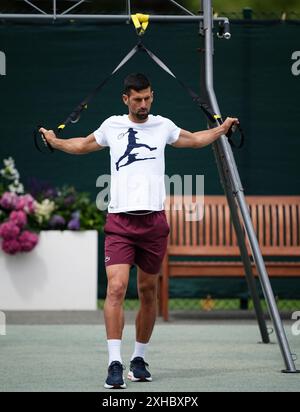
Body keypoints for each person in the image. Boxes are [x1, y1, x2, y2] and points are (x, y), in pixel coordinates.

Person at [39, 73, 239, 389]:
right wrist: (55, 140)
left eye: (147, 98)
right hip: (120, 223)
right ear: (126, 99)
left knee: (148, 291)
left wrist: (222, 127)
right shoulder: (112, 126)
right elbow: (82, 145)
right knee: (117, 288)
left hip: (154, 223)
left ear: (151, 96)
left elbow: (196, 139)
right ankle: (114, 363)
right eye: (137, 99)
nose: (143, 104)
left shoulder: (163, 126)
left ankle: (139, 359)